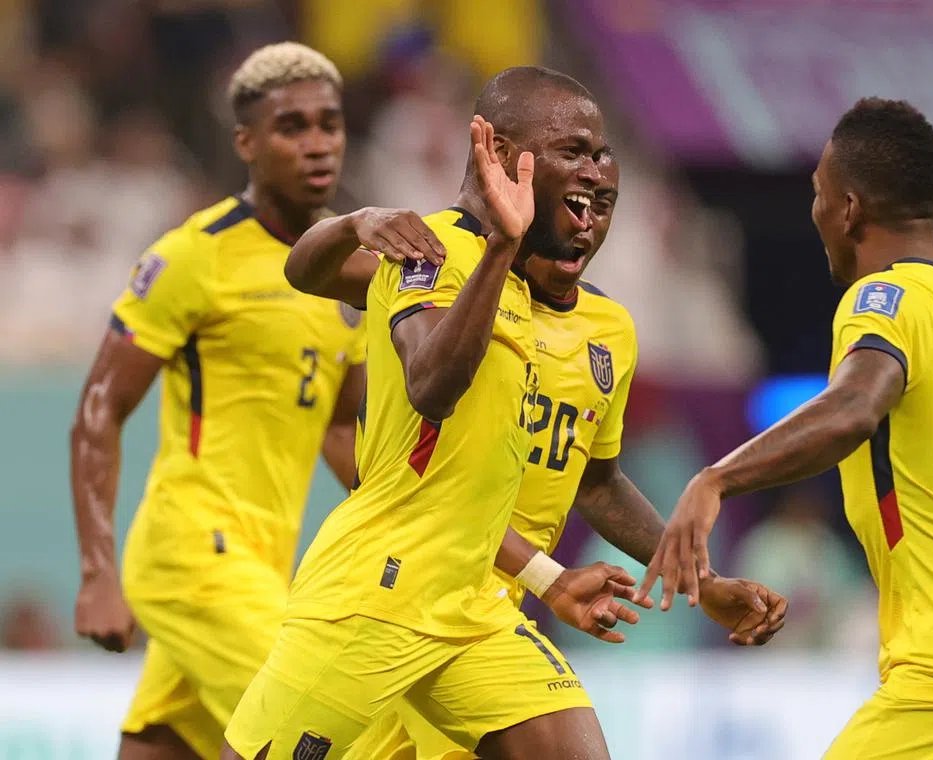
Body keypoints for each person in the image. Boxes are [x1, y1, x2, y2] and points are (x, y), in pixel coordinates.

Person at [295, 152, 788, 760]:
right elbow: (310, 273)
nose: (584, 221)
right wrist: (354, 222)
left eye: (601, 205)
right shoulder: (449, 278)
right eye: (571, 203)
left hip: (494, 615)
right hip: (400, 590)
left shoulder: (609, 329)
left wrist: (701, 583)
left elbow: (598, 484)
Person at [222, 66, 653, 760]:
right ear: (502, 149)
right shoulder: (436, 249)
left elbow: (573, 480)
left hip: (475, 607)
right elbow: (430, 383)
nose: (597, 167)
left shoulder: (555, 300)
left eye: (601, 152)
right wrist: (360, 223)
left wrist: (550, 578)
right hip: (377, 591)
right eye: (574, 149)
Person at [640, 98, 933, 759]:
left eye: (818, 194)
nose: (815, 213)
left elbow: (853, 409)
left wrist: (717, 478)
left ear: (847, 210)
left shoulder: (881, 302)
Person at [69, 42, 445, 760]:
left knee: (163, 745)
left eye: (328, 124)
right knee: (345, 733)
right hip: (193, 554)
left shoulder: (356, 276)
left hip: (270, 561)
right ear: (246, 142)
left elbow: (340, 426)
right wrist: (96, 572)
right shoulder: (194, 256)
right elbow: (99, 410)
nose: (317, 144)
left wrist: (417, 521)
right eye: (292, 127)